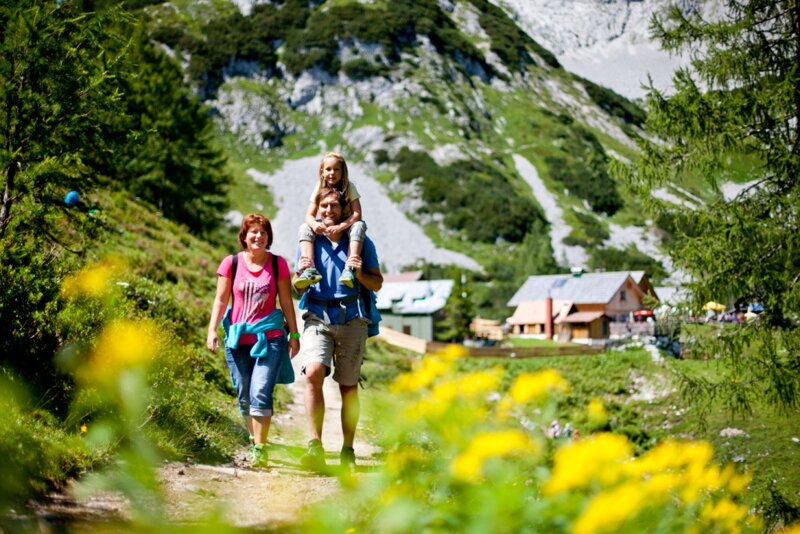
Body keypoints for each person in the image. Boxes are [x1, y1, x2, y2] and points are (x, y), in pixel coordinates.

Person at [293, 188, 383, 471]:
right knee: (313, 371)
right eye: (324, 206)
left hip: (352, 318)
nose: (329, 210)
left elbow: (377, 283)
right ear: (317, 209)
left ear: (344, 210)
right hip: (317, 316)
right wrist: (302, 279)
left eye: (334, 206)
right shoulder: (309, 240)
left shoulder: (361, 242)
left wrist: (358, 273)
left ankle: (347, 450)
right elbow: (297, 285)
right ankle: (315, 446)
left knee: (348, 387)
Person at [206, 214, 300, 468]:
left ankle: (260, 448)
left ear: (268, 238)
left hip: (270, 337)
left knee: (260, 390)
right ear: (244, 237)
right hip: (237, 339)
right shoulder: (231, 263)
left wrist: (294, 334)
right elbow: (221, 300)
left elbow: (287, 302)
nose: (258, 236)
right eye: (253, 232)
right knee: (244, 393)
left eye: (263, 232)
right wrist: (212, 330)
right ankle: (253, 438)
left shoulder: (278, 264)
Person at [293, 152, 367, 290]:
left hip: (346, 223)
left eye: (336, 169)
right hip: (327, 222)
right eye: (328, 169)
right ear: (322, 171)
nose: (332, 173)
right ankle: (309, 268)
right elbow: (309, 215)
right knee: (304, 227)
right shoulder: (319, 186)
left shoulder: (349, 187)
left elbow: (357, 214)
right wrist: (315, 225)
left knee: (359, 225)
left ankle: (349, 267)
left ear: (343, 171)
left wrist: (341, 227)